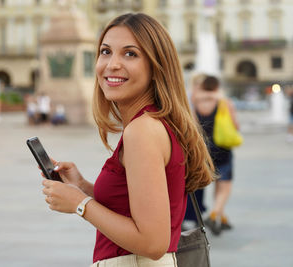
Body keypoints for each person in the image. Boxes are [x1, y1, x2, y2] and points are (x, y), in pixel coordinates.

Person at [40, 13, 215, 266]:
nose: (112, 64)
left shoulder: (142, 131)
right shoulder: (153, 124)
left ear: (156, 67)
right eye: (106, 51)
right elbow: (133, 208)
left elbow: (153, 243)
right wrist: (83, 187)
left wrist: (80, 204)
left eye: (130, 53)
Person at [191, 75, 239, 235]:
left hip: (205, 149)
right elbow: (235, 125)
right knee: (224, 185)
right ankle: (213, 215)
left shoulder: (196, 102)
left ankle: (220, 217)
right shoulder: (224, 102)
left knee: (215, 182)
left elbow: (194, 126)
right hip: (223, 148)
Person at [182, 73, 208, 230]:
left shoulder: (196, 97)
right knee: (193, 181)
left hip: (198, 145)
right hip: (193, 145)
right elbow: (193, 123)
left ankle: (196, 214)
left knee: (198, 181)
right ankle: (189, 216)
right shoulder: (190, 97)